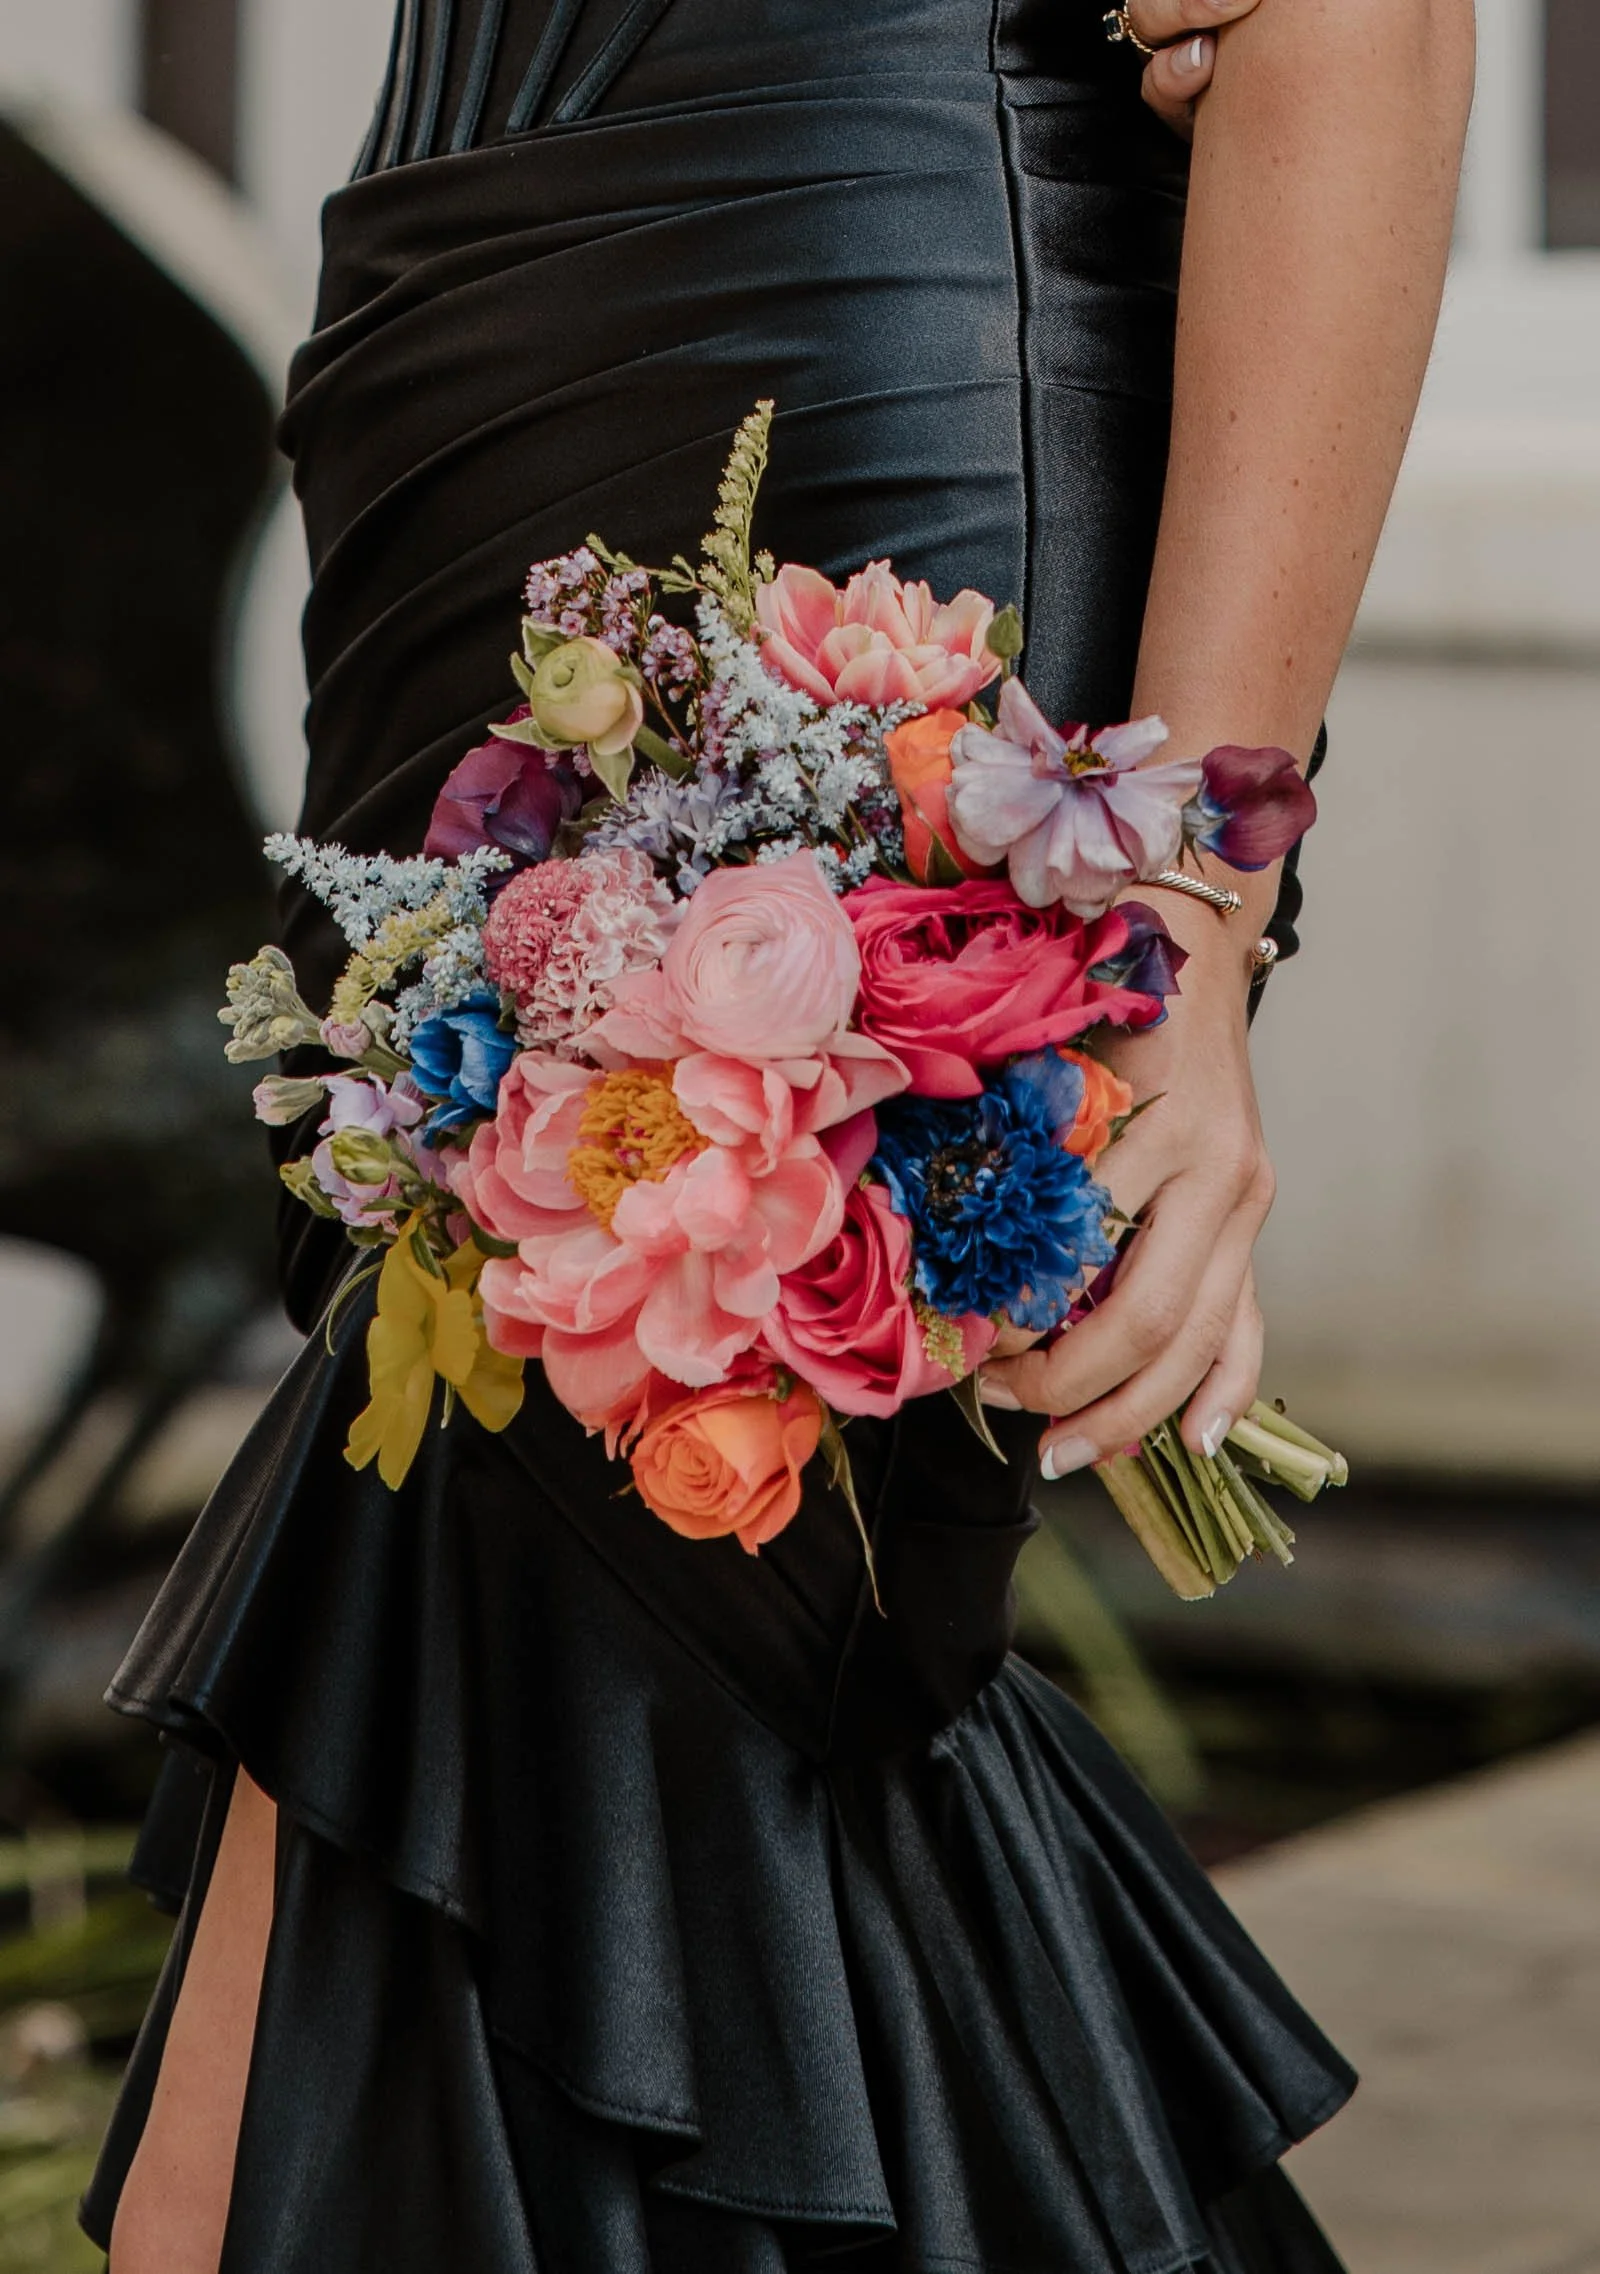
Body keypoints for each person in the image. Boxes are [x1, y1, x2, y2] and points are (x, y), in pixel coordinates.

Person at [89, 0, 1473, 2267]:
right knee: (631, 1739)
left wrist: (1178, 932)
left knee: (596, 1640)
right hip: (473, 407)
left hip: (847, 392)